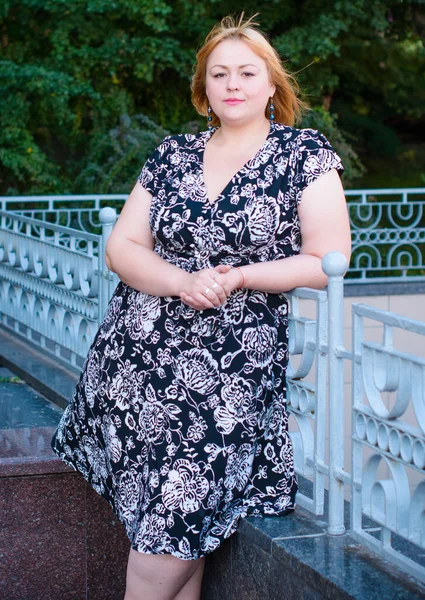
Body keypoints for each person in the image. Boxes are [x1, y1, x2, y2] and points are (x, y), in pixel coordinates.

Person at [51, 12, 351, 600]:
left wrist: (239, 276)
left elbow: (327, 257)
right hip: (138, 360)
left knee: (170, 532)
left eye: (246, 72)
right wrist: (179, 282)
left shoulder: (302, 154)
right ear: (204, 89)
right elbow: (123, 246)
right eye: (219, 74)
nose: (232, 83)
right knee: (178, 533)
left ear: (272, 85)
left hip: (231, 374)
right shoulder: (172, 155)